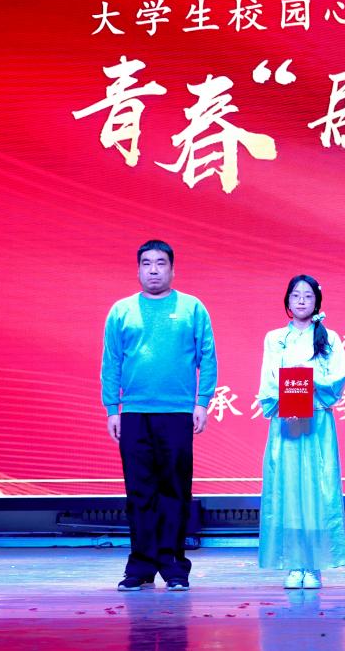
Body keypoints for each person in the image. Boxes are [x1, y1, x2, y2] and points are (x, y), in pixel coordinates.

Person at [101, 240, 217, 592]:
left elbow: (207, 356)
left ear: (172, 269)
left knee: (175, 491)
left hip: (177, 413)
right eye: (147, 263)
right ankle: (140, 567)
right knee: (139, 492)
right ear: (138, 269)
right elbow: (112, 361)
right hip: (135, 413)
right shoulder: (122, 311)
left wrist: (202, 403)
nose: (154, 270)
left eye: (161, 263)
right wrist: (112, 408)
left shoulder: (191, 307)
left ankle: (174, 568)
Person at [256, 275, 345, 589]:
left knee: (317, 490)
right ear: (287, 301)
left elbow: (337, 378)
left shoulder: (329, 338)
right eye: (295, 295)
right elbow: (269, 379)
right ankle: (294, 564)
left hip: (317, 422)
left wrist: (305, 384)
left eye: (307, 296)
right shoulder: (274, 338)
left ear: (317, 302)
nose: (301, 301)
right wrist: (288, 398)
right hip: (286, 423)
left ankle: (314, 565)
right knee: (288, 490)